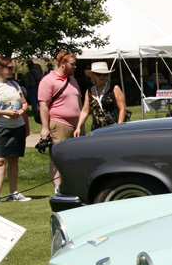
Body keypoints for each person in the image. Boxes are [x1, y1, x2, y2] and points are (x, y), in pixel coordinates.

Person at [0, 56, 31, 203]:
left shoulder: (14, 84)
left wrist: (21, 111)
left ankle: (13, 193)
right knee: (0, 160)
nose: (12, 70)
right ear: (0, 69)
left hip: (18, 126)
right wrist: (5, 112)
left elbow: (25, 103)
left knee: (14, 160)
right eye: (9, 67)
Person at [38, 50, 83, 193]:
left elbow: (79, 103)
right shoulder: (48, 80)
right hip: (59, 124)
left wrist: (81, 124)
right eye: (72, 64)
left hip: (76, 125)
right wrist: (45, 128)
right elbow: (43, 105)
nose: (75, 67)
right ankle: (58, 187)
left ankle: (72, 185)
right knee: (58, 157)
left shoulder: (73, 80)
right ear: (62, 63)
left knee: (75, 157)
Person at [77, 61, 126, 133]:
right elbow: (85, 111)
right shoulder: (89, 91)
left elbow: (122, 109)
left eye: (105, 74)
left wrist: (118, 126)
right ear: (93, 75)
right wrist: (78, 127)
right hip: (96, 129)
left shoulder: (114, 88)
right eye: (98, 74)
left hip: (113, 128)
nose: (102, 77)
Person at [24, 58, 44, 126]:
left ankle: (35, 112)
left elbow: (27, 83)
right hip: (38, 88)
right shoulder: (37, 72)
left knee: (33, 101)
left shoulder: (28, 74)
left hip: (32, 88)